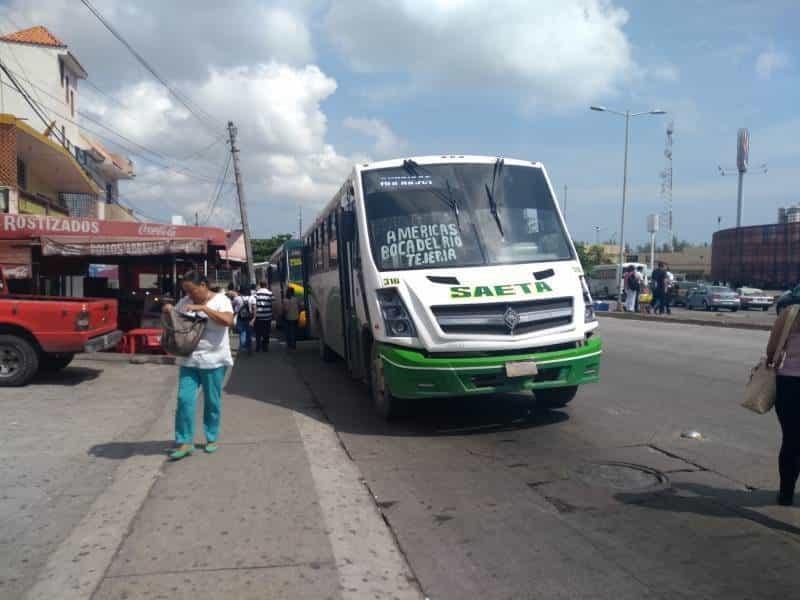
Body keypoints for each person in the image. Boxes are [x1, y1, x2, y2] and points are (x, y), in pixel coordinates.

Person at [163, 271, 234, 460]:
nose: (190, 295)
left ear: (204, 285)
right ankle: (185, 441)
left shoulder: (221, 300)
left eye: (193, 290)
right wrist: (170, 311)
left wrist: (203, 308)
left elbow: (228, 321)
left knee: (212, 402)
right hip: (190, 360)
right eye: (186, 291)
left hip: (215, 360)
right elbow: (177, 323)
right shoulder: (185, 301)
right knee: (184, 400)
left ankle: (211, 438)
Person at [767, 305, 800, 505]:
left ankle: (786, 494)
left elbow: (772, 348)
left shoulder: (790, 313)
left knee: (791, 440)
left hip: (789, 384)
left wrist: (772, 359)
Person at [234, 285, 256, 356]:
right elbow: (255, 309)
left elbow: (233, 305)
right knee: (249, 334)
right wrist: (254, 318)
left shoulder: (237, 298)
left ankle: (243, 348)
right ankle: (249, 349)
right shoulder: (252, 298)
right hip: (249, 318)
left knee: (242, 333)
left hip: (240, 318)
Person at [254, 280, 274, 352]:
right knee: (266, 332)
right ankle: (265, 347)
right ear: (266, 285)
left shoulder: (256, 294)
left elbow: (254, 304)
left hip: (258, 316)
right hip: (267, 316)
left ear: (260, 285)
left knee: (258, 332)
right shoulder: (270, 293)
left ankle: (258, 347)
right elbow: (273, 303)